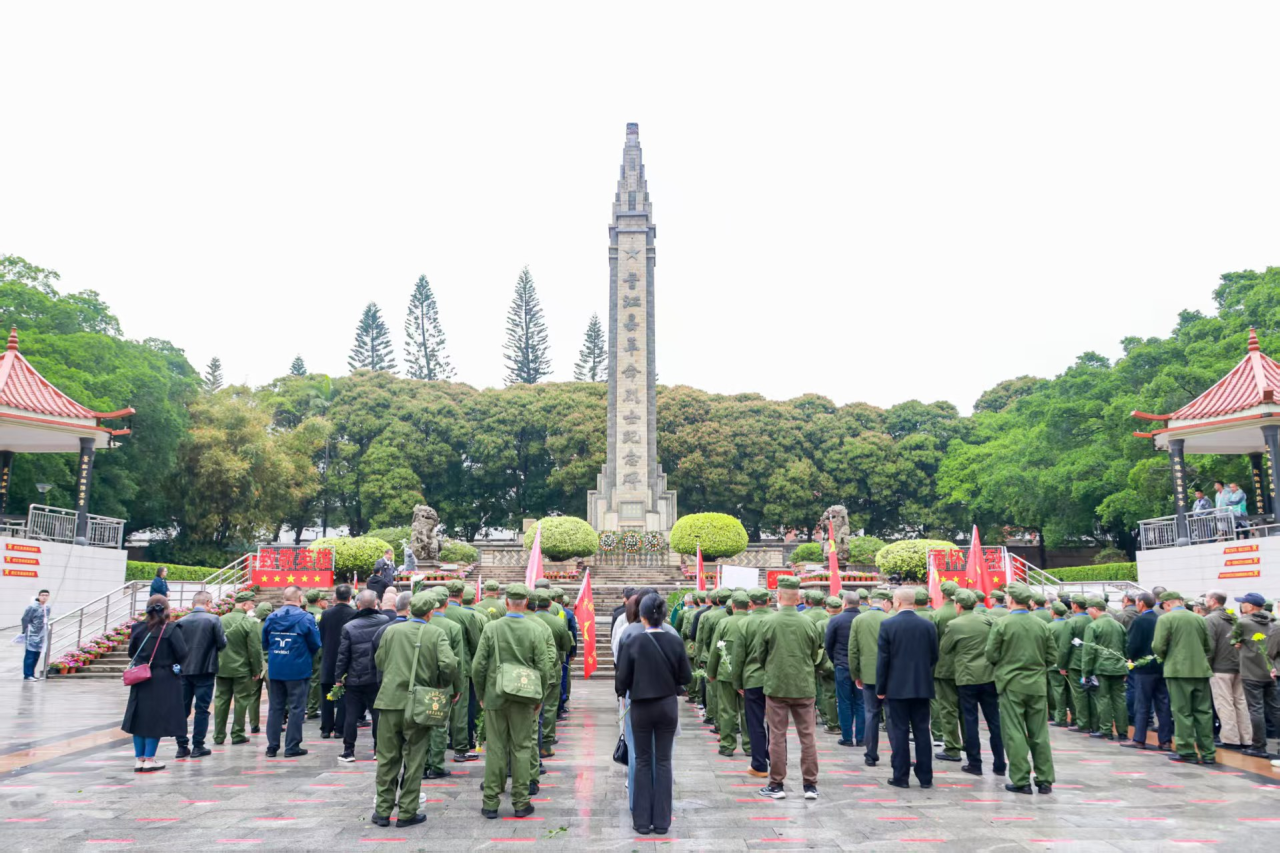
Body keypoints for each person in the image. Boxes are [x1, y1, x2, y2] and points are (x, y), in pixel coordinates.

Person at [370, 591, 456, 829]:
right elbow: (449, 664)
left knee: (387, 758)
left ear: (409, 610)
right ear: (430, 613)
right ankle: (407, 811)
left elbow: (380, 661)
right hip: (420, 702)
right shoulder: (435, 633)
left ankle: (383, 811)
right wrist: (441, 683)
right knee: (415, 758)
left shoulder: (391, 631)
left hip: (389, 701)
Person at [471, 583, 554, 820]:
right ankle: (520, 801)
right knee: (522, 747)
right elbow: (544, 667)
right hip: (525, 697)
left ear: (506, 602)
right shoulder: (535, 629)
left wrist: (481, 695)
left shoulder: (492, 628)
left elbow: (478, 666)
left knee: (495, 748)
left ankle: (490, 802)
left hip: (495, 696)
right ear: (526, 603)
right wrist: (539, 697)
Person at [614, 592, 691, 836]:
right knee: (664, 761)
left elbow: (621, 682)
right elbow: (686, 677)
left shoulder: (633, 641)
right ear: (664, 616)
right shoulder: (674, 641)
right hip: (667, 705)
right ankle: (662, 821)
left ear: (642, 616)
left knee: (643, 760)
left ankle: (641, 820)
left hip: (641, 706)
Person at [754, 576, 824, 800]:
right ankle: (810, 785)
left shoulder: (768, 622)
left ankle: (776, 784)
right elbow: (815, 653)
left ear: (778, 596)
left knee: (777, 736)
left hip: (777, 685)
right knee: (808, 736)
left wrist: (773, 667)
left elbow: (760, 654)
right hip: (804, 685)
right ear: (798, 598)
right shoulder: (808, 622)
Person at [985, 582, 1056, 795]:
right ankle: (1045, 780)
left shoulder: (1002, 624)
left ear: (1011, 599)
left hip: (1011, 683)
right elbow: (1052, 656)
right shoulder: (1041, 624)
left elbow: (991, 654)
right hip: (1037, 684)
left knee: (1014, 732)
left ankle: (1021, 779)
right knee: (1040, 733)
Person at [877, 588, 938, 789]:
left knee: (900, 732)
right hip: (922, 686)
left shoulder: (888, 625)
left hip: (896, 687)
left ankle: (901, 776)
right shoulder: (928, 625)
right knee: (922, 731)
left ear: (897, 602)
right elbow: (934, 656)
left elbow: (883, 660)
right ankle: (926, 777)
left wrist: (881, 687)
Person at [122, 595, 189, 772]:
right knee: (155, 719)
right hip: (163, 677)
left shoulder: (138, 628)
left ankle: (139, 759)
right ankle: (150, 759)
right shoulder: (171, 629)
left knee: (139, 718)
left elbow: (132, 653)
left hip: (141, 676)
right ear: (166, 609)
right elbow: (182, 653)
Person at [943, 588, 1005, 776]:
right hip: (988, 675)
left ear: (958, 605)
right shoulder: (988, 620)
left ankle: (975, 763)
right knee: (994, 721)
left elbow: (945, 648)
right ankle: (1000, 763)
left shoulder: (954, 624)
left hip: (967, 677)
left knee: (970, 721)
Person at [1152, 591, 1215, 764]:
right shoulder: (1199, 619)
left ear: (1167, 604)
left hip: (1177, 670)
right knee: (1204, 712)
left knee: (1182, 712)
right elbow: (1208, 646)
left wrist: (1167, 657)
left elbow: (1158, 646)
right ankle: (1208, 753)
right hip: (1201, 670)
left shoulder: (1165, 619)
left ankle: (1187, 751)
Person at [262, 585, 322, 758]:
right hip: (298, 668)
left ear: (284, 598)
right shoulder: (306, 618)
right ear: (300, 598)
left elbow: (265, 642)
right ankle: (292, 746)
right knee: (296, 708)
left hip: (276, 667)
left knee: (275, 708)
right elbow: (315, 643)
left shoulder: (272, 617)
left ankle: (272, 746)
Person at [335, 588, 390, 761]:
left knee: (351, 714)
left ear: (358, 605)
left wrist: (338, 677)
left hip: (355, 677)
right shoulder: (385, 621)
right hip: (377, 677)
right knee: (377, 714)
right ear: (376, 604)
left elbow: (343, 655)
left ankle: (348, 751)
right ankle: (378, 750)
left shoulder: (349, 627)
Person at [174, 590, 226, 758]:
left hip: (184, 671)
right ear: (208, 603)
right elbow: (222, 643)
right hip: (205, 669)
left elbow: (175, 647)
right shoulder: (213, 619)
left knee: (182, 709)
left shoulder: (181, 621)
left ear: (193, 604)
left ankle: (181, 746)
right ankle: (198, 745)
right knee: (202, 709)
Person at [424, 588, 467, 780]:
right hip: (442, 683)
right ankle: (436, 765)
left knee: (419, 724)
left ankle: (421, 763)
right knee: (439, 724)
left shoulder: (417, 623)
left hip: (418, 681)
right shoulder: (452, 627)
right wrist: (458, 687)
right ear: (446, 604)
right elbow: (457, 661)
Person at [439, 579, 484, 762]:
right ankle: (460, 747)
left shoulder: (432, 615)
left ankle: (436, 748)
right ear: (462, 594)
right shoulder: (467, 615)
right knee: (460, 710)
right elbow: (476, 644)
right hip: (461, 667)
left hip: (435, 666)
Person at [1231, 593, 1280, 759]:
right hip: (1271, 671)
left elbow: (1233, 640)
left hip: (1251, 671)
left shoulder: (1243, 622)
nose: (1241, 605)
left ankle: (1259, 746)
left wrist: (1239, 644)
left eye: (1243, 603)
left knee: (1256, 709)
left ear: (1250, 606)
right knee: (1275, 709)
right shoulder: (1273, 620)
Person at [1122, 591, 1172, 751]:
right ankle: (1165, 741)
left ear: (1141, 603)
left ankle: (1139, 739)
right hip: (1161, 666)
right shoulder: (1160, 619)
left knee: (1142, 704)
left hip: (1143, 668)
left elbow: (1133, 644)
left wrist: (1130, 657)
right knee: (1163, 704)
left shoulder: (1139, 620)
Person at [213, 590, 263, 746]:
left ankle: (218, 735)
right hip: (242, 669)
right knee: (241, 701)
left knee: (221, 701)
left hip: (222, 667)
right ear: (244, 604)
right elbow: (254, 649)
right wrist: (256, 670)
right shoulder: (250, 622)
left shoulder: (220, 620)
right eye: (252, 604)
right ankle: (237, 733)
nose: (253, 607)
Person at [734, 587, 775, 778]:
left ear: (750, 603)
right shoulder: (777, 620)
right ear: (768, 601)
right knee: (776, 723)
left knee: (755, 723)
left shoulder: (744, 623)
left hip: (752, 679)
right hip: (775, 678)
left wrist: (737, 682)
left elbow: (738, 656)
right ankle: (777, 760)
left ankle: (759, 764)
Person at [849, 589, 892, 767]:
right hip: (890, 675)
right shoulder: (891, 619)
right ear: (885, 602)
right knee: (892, 716)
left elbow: (853, 651)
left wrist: (856, 674)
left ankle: (871, 754)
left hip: (867, 675)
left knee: (871, 714)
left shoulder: (859, 620)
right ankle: (898, 754)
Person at [1204, 589, 1251, 750]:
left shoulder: (1211, 619)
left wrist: (1206, 667)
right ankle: (1246, 738)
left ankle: (1230, 739)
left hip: (1220, 668)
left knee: (1224, 703)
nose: (1206, 601)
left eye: (1207, 598)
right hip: (1238, 666)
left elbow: (1209, 646)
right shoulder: (1234, 617)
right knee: (1240, 703)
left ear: (1213, 601)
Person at [707, 590, 751, 757]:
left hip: (726, 672)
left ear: (733, 606)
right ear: (749, 605)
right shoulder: (754, 622)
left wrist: (711, 672)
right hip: (748, 674)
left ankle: (727, 745)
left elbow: (715, 649)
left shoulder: (724, 623)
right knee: (748, 711)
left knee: (726, 710)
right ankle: (750, 746)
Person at [531, 590, 571, 759]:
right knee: (549, 706)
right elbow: (566, 645)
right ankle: (546, 743)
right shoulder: (558, 622)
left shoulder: (527, 621)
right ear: (550, 603)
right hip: (551, 668)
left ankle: (532, 742)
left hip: (528, 671)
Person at [1082, 596, 1128, 741]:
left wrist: (1086, 672)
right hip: (1119, 667)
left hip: (1101, 667)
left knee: (1103, 698)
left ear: (1095, 609)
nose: (1088, 613)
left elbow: (1088, 652)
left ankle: (1106, 729)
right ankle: (1122, 731)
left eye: (1089, 609)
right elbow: (1125, 647)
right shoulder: (1119, 625)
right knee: (1119, 700)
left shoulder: (1093, 626)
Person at [929, 580, 963, 765]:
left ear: (942, 594)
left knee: (947, 708)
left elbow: (932, 644)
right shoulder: (965, 613)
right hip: (965, 669)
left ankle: (951, 745)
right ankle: (969, 745)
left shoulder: (937, 614)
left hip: (943, 668)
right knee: (966, 710)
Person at [825, 591, 864, 748]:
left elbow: (828, 644)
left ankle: (847, 737)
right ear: (859, 603)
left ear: (844, 603)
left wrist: (835, 661)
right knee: (861, 702)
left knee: (844, 702)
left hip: (842, 665)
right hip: (861, 667)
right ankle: (861, 737)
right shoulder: (863, 619)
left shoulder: (836, 620)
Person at [319, 584, 357, 739]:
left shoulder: (326, 614)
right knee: (344, 696)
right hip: (347, 659)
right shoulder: (354, 614)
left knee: (326, 695)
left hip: (328, 658)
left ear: (335, 597)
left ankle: (326, 728)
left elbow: (321, 636)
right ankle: (340, 729)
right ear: (350, 597)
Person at [1059, 595, 1095, 734]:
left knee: (1079, 694)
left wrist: (1062, 664)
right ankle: (1095, 723)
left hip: (1076, 662)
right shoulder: (1092, 619)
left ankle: (1083, 722)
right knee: (1093, 693)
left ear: (1074, 605)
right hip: (1092, 659)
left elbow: (1065, 646)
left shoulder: (1071, 622)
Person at [1047, 602, 1074, 727]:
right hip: (1070, 663)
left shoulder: (1049, 627)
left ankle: (1060, 717)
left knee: (1058, 692)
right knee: (1071, 692)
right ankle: (1075, 717)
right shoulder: (1070, 624)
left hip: (1054, 664)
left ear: (1053, 612)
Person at [249, 601, 273, 734]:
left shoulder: (252, 625)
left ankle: (254, 724)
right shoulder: (274, 626)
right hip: (269, 664)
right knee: (273, 696)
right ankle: (275, 722)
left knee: (253, 696)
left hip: (255, 664)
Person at [304, 589, 327, 719]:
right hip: (318, 650)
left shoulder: (303, 613)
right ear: (319, 600)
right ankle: (312, 709)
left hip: (303, 650)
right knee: (315, 679)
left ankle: (304, 706)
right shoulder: (323, 614)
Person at [20, 590, 50, 681]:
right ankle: (28, 674)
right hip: (32, 634)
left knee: (37, 655)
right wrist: (25, 630)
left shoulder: (47, 608)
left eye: (46, 595)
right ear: (39, 596)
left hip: (42, 635)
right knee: (30, 655)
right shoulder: (32, 607)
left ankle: (32, 674)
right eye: (42, 595)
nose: (44, 597)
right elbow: (25, 619)